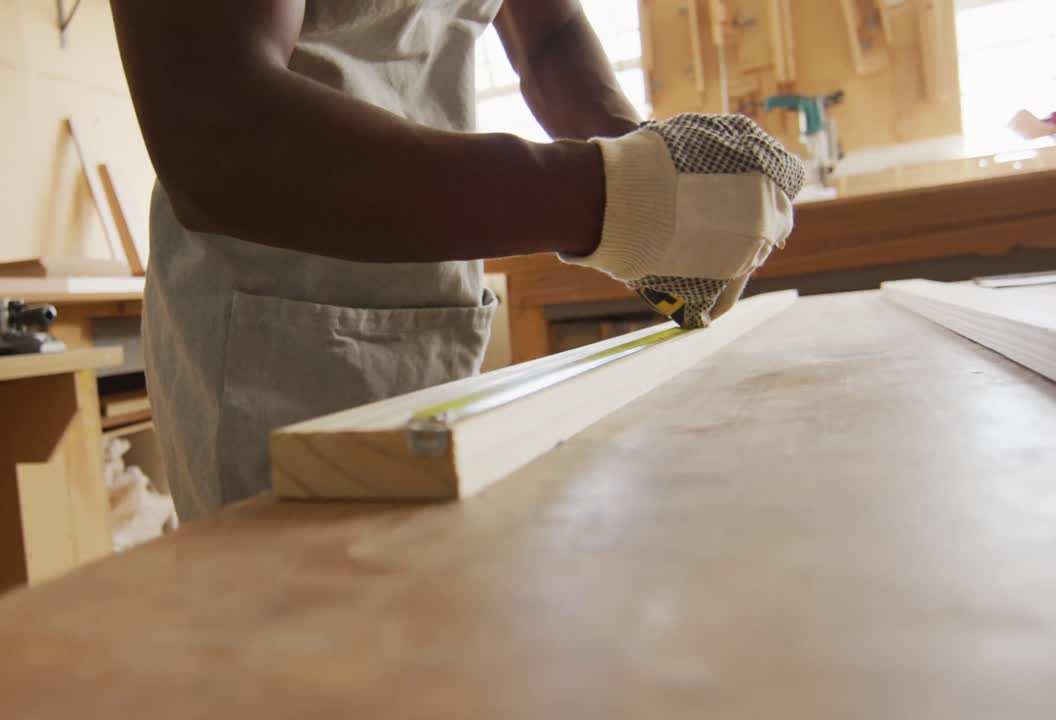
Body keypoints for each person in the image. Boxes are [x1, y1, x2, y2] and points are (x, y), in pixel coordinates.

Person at [109, 1, 804, 520]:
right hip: (271, 320)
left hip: (430, 299)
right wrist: (614, 198)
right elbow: (216, 129)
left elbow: (551, 34)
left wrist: (659, 179)